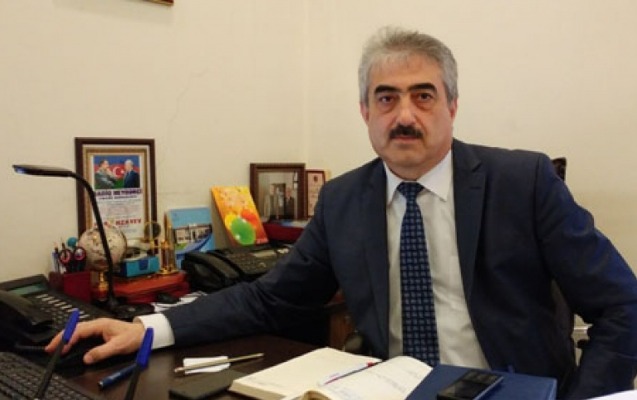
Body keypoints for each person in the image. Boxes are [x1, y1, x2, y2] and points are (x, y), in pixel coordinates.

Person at [48, 27, 637, 399]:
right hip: (392, 389)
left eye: (423, 95)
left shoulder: (523, 181)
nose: (404, 115)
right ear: (365, 112)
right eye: (387, 98)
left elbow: (623, 306)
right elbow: (270, 299)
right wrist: (149, 329)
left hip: (509, 390)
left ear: (452, 106)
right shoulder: (344, 199)